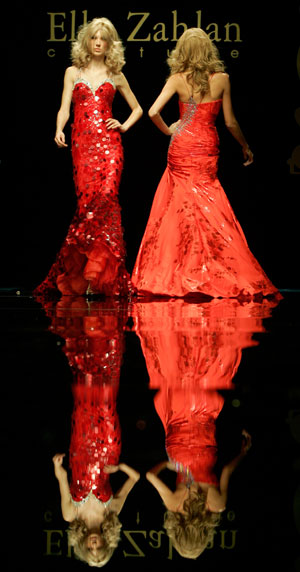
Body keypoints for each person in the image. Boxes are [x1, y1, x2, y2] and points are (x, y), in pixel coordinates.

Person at [131, 27, 281, 299]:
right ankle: (211, 270)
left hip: (182, 147)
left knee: (179, 207)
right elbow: (230, 122)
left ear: (183, 51)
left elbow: (152, 111)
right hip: (206, 149)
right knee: (210, 206)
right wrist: (245, 146)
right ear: (208, 50)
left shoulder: (178, 79)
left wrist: (169, 130)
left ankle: (179, 272)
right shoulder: (222, 79)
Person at [34, 17, 142, 299]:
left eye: (103, 38)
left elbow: (138, 109)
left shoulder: (116, 74)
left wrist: (124, 124)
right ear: (86, 40)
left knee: (106, 199)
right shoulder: (73, 72)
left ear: (109, 44)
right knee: (88, 208)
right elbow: (64, 109)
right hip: (82, 146)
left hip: (110, 146)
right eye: (94, 37)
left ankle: (101, 277)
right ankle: (88, 277)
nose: (98, 43)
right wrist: (58, 128)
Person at [53, 455, 140, 566]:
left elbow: (62, 478)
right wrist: (119, 467)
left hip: (78, 455)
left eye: (89, 549)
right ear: (105, 543)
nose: (93, 544)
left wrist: (57, 465)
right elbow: (135, 477)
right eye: (99, 547)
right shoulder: (112, 512)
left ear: (83, 546)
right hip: (103, 452)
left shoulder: (70, 514)